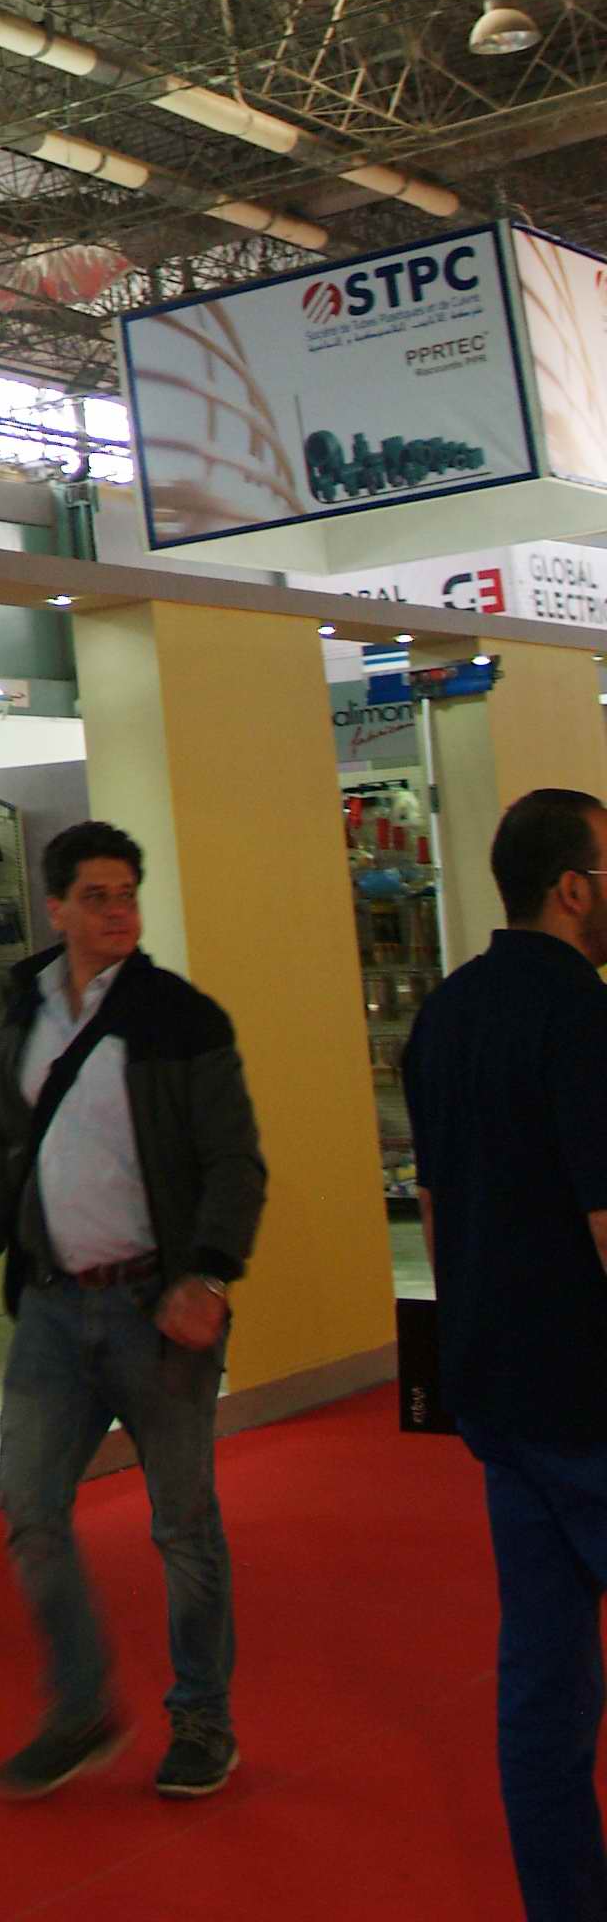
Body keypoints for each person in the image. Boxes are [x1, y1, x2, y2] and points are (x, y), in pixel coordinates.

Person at [0, 819, 267, 1803]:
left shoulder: (181, 1019)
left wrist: (208, 1277)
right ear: (56, 908)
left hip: (154, 1308)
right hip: (51, 1307)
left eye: (128, 895)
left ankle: (202, 1720)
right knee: (30, 1506)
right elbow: (9, 1150)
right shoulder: (24, 1013)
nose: (118, 912)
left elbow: (234, 1161)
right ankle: (81, 1708)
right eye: (97, 897)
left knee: (183, 1527)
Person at [403, 785, 607, 1920]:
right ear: (573, 887)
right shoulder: (582, 1017)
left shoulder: (447, 1013)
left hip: (497, 1392)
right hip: (589, 1394)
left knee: (544, 1678)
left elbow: (435, 1210)